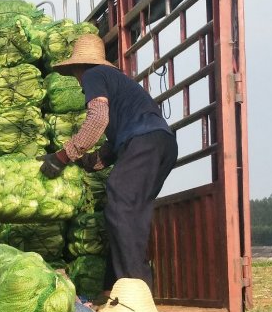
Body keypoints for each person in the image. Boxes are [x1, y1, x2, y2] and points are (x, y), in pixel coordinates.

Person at [38, 34, 178, 292]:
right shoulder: (118, 83)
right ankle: (116, 285)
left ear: (78, 67)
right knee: (132, 213)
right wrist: (88, 161)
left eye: (75, 75)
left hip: (145, 141)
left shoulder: (94, 75)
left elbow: (98, 119)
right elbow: (113, 143)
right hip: (163, 144)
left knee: (120, 199)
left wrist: (62, 156)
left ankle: (134, 290)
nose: (79, 84)